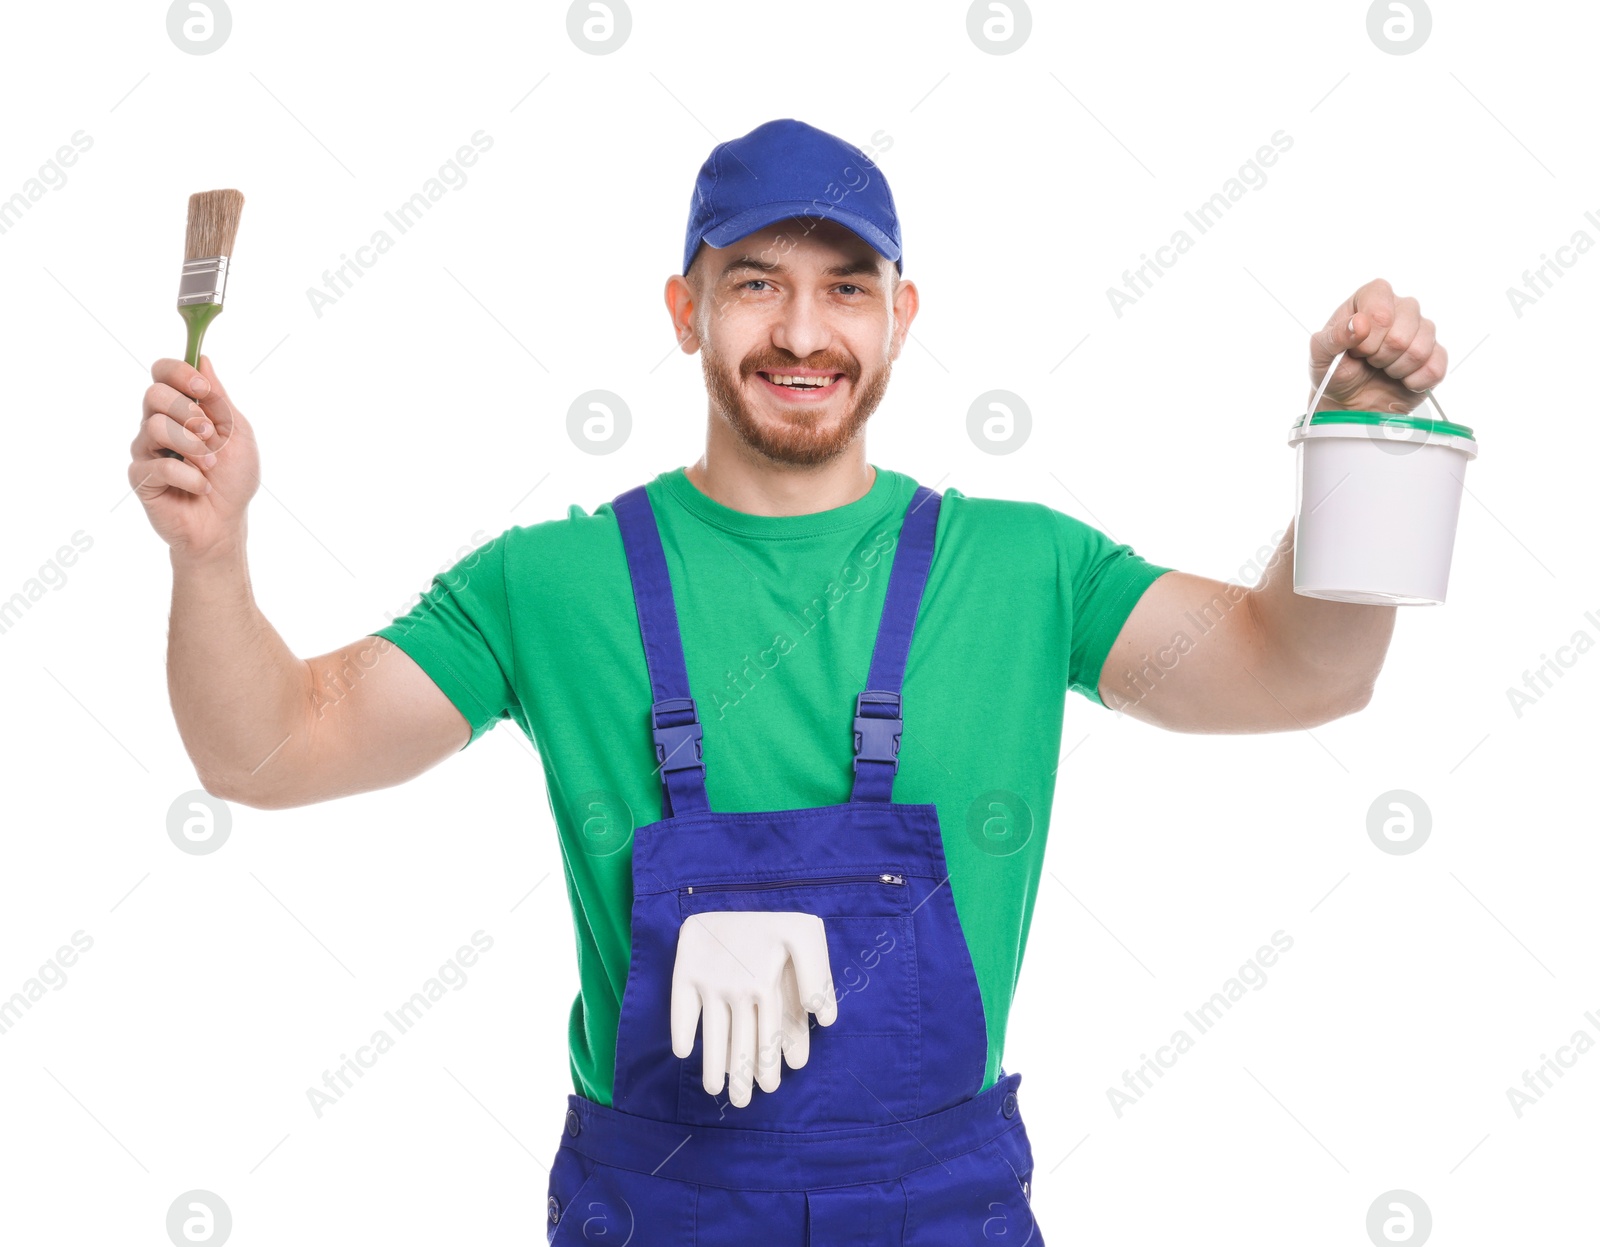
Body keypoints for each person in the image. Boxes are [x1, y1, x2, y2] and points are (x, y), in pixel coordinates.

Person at [128, 118, 1447, 1243]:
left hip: (941, 1206)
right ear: (684, 309)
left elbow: (1304, 670)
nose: (802, 331)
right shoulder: (551, 585)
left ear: (902, 316)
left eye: (848, 287)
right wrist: (212, 551)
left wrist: (1364, 442)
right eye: (755, 283)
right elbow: (266, 754)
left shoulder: (1026, 571)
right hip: (656, 1206)